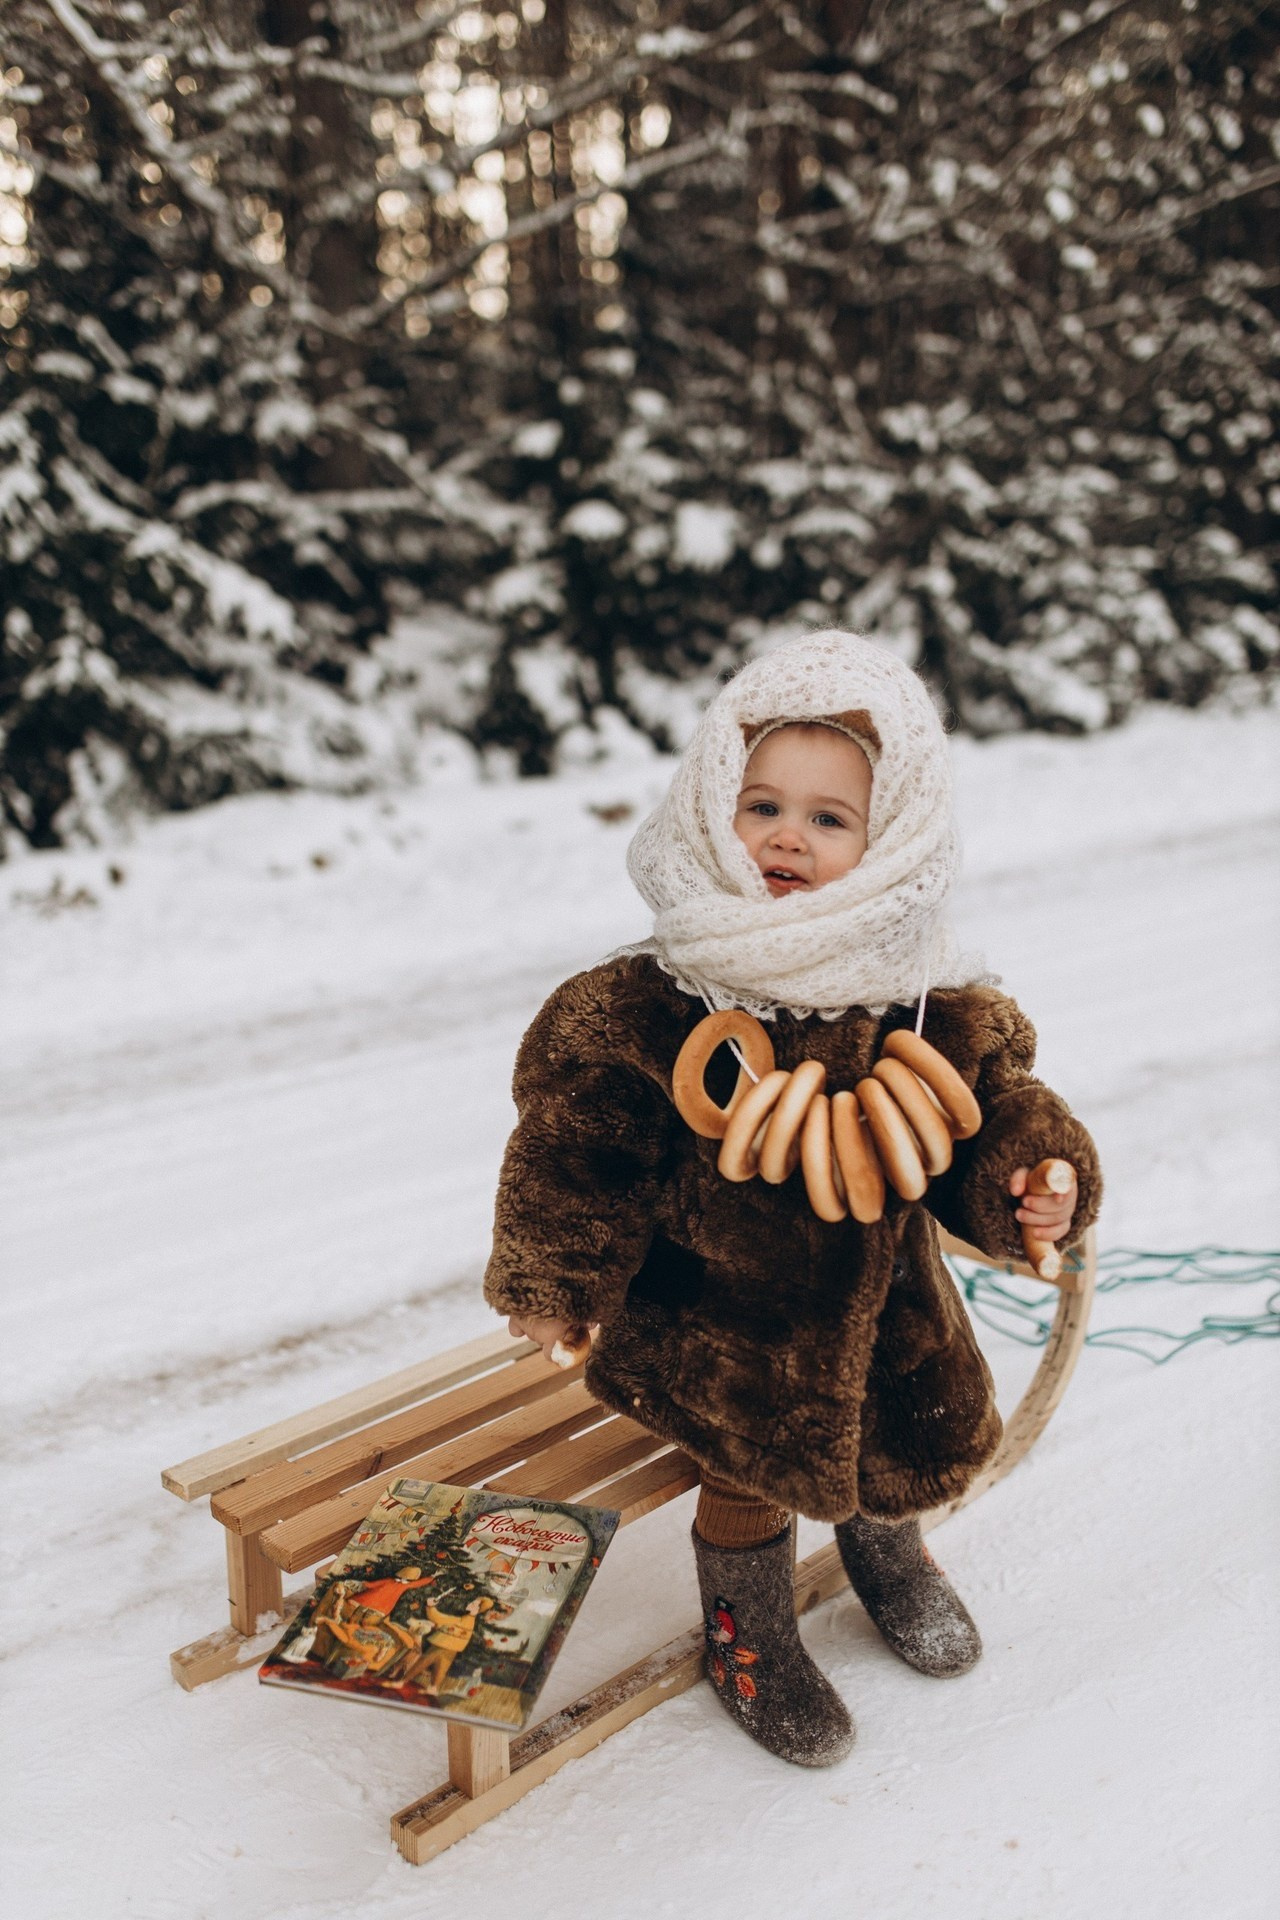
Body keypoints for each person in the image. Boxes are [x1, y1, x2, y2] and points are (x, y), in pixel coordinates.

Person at [483, 631, 1100, 1767]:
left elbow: (988, 1106)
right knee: (748, 1473)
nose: (785, 836)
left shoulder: (916, 1000)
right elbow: (577, 1143)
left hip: (889, 1301)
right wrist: (556, 1277)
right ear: (708, 804)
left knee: (895, 1436)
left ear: (889, 841)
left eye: (828, 819)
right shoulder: (654, 999)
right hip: (719, 1324)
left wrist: (1029, 1178)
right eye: (759, 803)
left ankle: (887, 1553)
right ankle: (746, 1625)